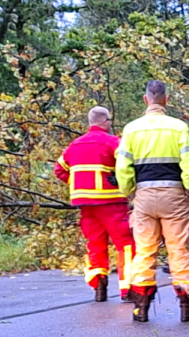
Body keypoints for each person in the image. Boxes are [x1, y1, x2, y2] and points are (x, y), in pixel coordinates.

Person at [116, 80, 189, 323]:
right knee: (178, 249)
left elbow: (122, 167)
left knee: (144, 251)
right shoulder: (178, 127)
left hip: (144, 196)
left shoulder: (131, 129)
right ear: (165, 100)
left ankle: (140, 308)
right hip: (174, 195)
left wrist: (131, 193)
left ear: (146, 100)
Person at [54, 106, 135, 302]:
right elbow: (127, 167)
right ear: (105, 121)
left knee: (95, 245)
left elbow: (60, 170)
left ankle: (99, 287)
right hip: (112, 203)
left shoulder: (75, 145)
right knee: (125, 244)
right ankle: (128, 289)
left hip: (86, 206)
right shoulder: (114, 142)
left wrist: (80, 184)